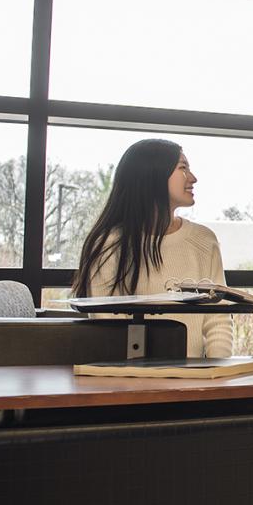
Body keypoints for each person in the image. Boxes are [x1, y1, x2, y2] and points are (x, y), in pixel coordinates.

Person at [73, 138, 233, 358]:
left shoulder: (204, 239)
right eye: (183, 168)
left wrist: (217, 377)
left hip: (197, 383)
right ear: (152, 175)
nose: (193, 178)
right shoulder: (109, 245)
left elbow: (219, 320)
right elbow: (110, 328)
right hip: (130, 382)